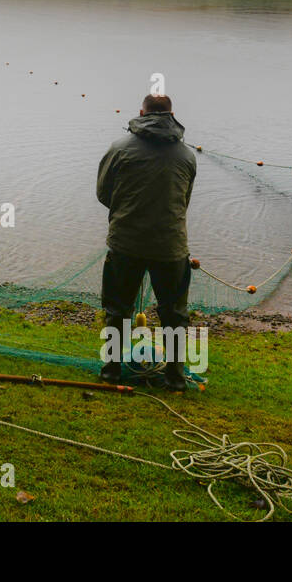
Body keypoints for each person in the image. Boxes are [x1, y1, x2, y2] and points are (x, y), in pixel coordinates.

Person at [96, 94, 197, 391]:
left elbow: (104, 194)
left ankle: (111, 372)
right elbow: (184, 201)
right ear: (172, 114)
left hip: (125, 242)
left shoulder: (119, 148)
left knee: (117, 309)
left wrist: (129, 211)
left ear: (140, 113)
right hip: (171, 247)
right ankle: (175, 378)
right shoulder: (187, 155)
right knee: (174, 314)